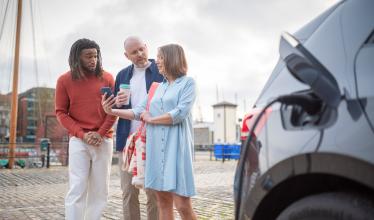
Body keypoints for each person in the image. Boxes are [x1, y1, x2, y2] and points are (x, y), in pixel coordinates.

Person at [102, 43, 197, 220]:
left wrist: (152, 119)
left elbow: (180, 113)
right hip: (155, 151)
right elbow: (138, 111)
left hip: (176, 149)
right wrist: (111, 111)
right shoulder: (157, 86)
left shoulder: (188, 83)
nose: (157, 62)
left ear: (171, 59)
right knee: (162, 202)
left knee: (182, 205)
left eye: (160, 57)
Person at [55, 38, 117, 220]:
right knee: (77, 187)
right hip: (78, 141)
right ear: (77, 58)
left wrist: (100, 133)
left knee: (100, 190)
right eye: (88, 56)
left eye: (96, 56)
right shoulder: (64, 80)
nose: (93, 60)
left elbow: (113, 111)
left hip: (103, 140)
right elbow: (61, 113)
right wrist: (83, 135)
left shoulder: (107, 78)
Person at [114, 36, 163, 220]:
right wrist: (117, 103)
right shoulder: (122, 75)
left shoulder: (161, 69)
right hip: (127, 142)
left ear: (146, 47)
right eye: (134, 52)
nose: (140, 54)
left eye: (142, 49)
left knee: (154, 193)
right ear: (127, 55)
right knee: (128, 193)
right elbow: (114, 108)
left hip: (154, 140)